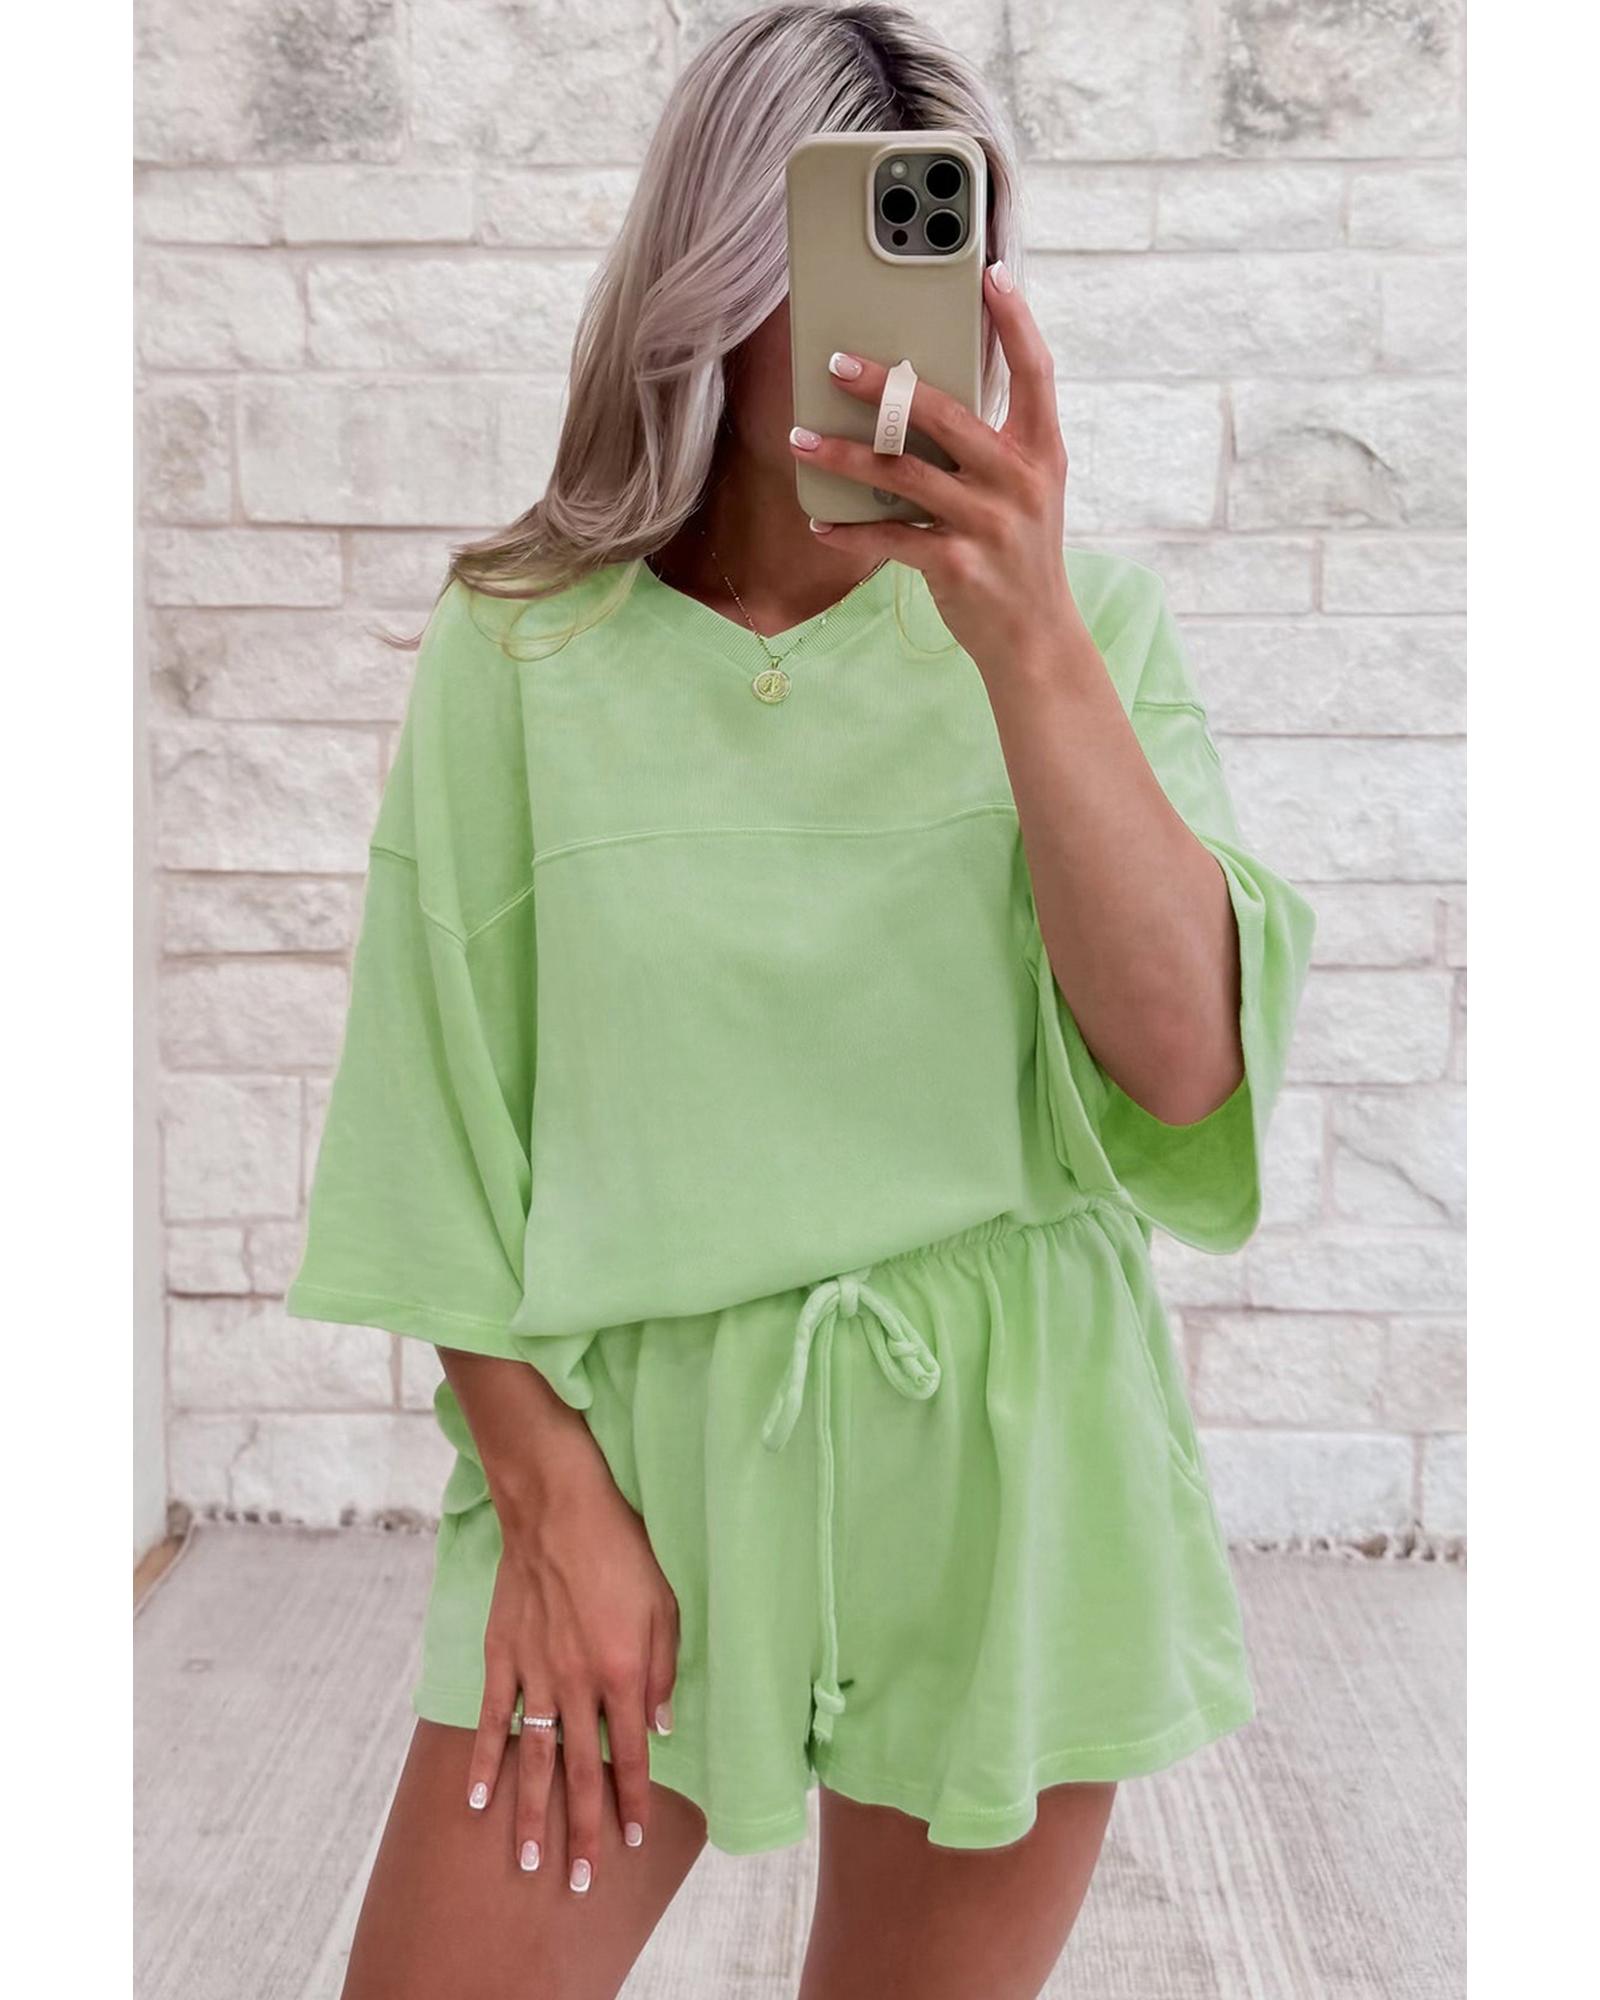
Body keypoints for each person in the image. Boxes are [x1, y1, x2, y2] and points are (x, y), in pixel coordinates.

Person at [284, 6, 1315, 1995]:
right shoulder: (522, 648)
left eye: (930, 245)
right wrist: (550, 1504)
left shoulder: (1078, 632)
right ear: (713, 279)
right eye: (832, 250)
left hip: (1011, 1476)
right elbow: (432, 1128)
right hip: (631, 1467)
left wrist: (1023, 648)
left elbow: (1184, 1064)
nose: (876, 331)